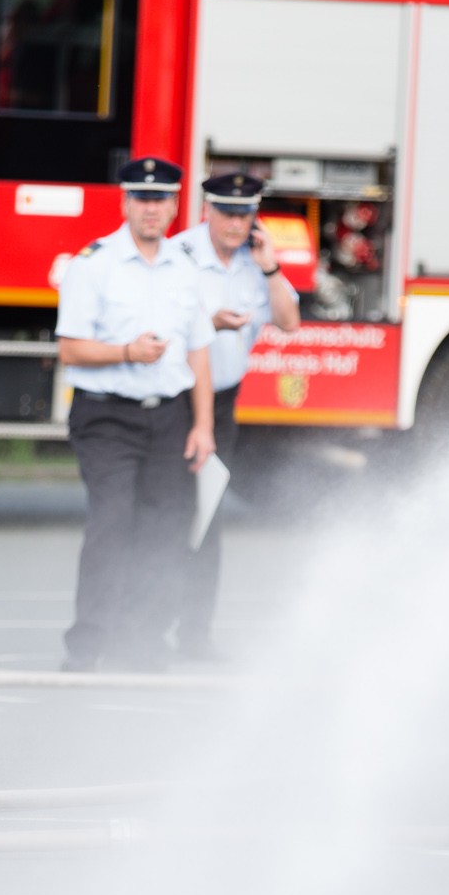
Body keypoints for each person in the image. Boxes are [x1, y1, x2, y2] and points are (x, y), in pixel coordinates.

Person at [53, 156, 216, 672]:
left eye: (161, 199)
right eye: (142, 199)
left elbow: (199, 352)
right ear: (125, 203)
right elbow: (71, 350)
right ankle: (89, 643)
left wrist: (204, 425)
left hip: (169, 415)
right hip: (107, 417)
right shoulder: (93, 264)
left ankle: (141, 641)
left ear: (174, 207)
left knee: (163, 529)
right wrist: (126, 352)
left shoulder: (186, 268)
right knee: (112, 521)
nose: (152, 209)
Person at [168, 171, 301, 661]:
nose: (235, 223)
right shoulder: (179, 255)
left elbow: (289, 322)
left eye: (245, 214)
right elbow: (159, 327)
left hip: (222, 403)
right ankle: (143, 630)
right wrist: (208, 322)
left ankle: (194, 636)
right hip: (173, 402)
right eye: (226, 211)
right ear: (208, 210)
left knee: (207, 518)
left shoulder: (254, 265)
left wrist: (270, 269)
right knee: (163, 514)